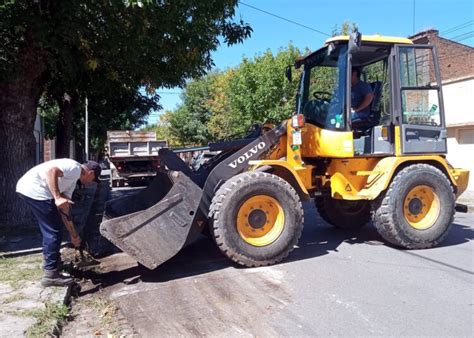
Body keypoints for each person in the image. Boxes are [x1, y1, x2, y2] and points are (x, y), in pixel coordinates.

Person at [16, 159, 101, 287]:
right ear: (90, 172)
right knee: (53, 231)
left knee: (51, 229)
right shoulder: (75, 168)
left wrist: (73, 235)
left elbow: (65, 210)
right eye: (93, 179)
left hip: (30, 189)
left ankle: (52, 263)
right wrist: (57, 197)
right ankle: (50, 275)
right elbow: (51, 171)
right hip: (34, 189)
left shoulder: (71, 182)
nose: (91, 183)